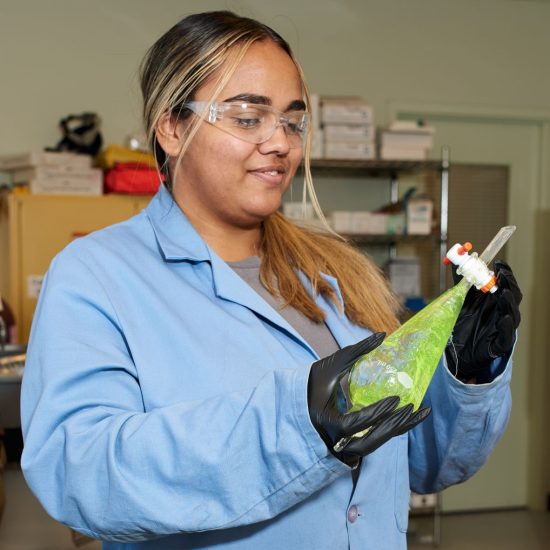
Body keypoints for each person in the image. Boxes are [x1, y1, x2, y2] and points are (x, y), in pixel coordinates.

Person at [20, 10, 522, 550]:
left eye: (292, 120)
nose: (280, 142)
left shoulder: (334, 273)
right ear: (171, 127)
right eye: (246, 117)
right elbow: (81, 475)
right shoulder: (98, 274)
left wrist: (464, 376)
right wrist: (300, 422)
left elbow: (419, 462)